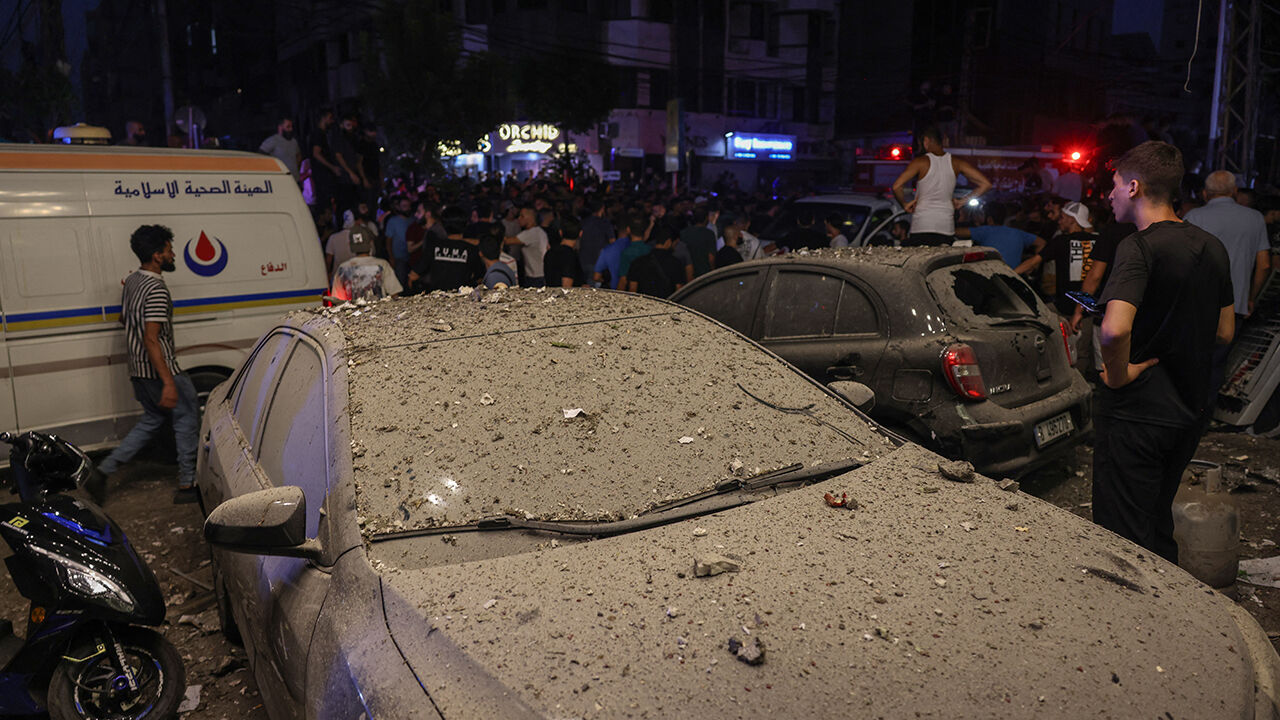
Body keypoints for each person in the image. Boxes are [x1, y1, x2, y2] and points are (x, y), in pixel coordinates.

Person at [1092, 141, 1234, 563]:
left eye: (1114, 185)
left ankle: (1131, 624)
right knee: (1156, 525)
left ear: (1134, 187)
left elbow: (1114, 330)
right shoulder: (1212, 247)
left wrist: (1119, 375)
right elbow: (1225, 332)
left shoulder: (1137, 247)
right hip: (1187, 412)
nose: (1110, 194)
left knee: (1123, 540)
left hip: (1135, 414)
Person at [94, 225, 199, 501]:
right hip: (160, 370)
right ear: (156, 256)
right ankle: (188, 485)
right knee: (187, 418)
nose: (173, 254)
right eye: (168, 250)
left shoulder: (131, 282)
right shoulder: (157, 289)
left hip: (137, 370)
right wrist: (168, 383)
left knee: (150, 421)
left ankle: (103, 471)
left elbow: (124, 320)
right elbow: (151, 339)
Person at [1183, 171, 1271, 319]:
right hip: (1236, 303)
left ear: (1205, 193)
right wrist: (1250, 298)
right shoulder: (1255, 218)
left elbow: (1182, 262)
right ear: (1235, 191)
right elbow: (1264, 265)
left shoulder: (1193, 217)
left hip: (1198, 304)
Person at [891, 126, 992, 245]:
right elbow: (986, 184)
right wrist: (962, 201)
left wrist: (904, 204)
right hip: (945, 226)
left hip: (922, 224)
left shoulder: (920, 162)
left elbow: (896, 186)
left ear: (926, 141)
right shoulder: (957, 162)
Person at [954, 204, 1045, 269]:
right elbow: (1042, 243)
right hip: (1014, 277)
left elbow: (954, 232)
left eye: (980, 215)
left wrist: (961, 216)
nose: (977, 217)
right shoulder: (1018, 233)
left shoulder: (985, 230)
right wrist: (1032, 267)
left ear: (990, 220)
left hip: (991, 277)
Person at [330, 228, 402, 301]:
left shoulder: (343, 268)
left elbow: (337, 299)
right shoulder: (382, 264)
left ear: (350, 245)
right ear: (371, 243)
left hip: (353, 311)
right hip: (378, 310)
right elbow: (394, 293)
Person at [627, 230, 685, 297]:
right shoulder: (676, 263)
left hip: (643, 305)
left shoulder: (637, 262)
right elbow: (679, 291)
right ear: (668, 242)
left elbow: (632, 290)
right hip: (665, 305)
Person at [505, 207, 549, 287]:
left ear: (530, 218)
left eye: (522, 216)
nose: (518, 219)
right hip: (539, 274)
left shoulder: (532, 233)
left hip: (535, 277)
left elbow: (507, 241)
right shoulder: (538, 231)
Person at [309, 108, 342, 215]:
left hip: (324, 175)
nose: (332, 121)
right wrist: (332, 167)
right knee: (325, 205)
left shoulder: (323, 134)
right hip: (322, 176)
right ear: (323, 118)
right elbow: (316, 153)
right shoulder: (318, 134)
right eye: (330, 118)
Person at [544, 215, 585, 288]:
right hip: (563, 297)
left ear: (560, 232)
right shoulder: (570, 255)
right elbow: (566, 286)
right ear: (580, 233)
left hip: (550, 295)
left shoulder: (550, 252)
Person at [259, 117, 302, 184]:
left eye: (291, 127)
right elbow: (261, 155)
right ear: (280, 127)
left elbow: (298, 155)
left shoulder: (293, 141)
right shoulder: (273, 140)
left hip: (295, 179)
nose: (291, 129)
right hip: (281, 181)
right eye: (288, 127)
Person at [680, 206, 717, 276]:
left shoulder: (683, 233)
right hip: (705, 274)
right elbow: (711, 257)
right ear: (706, 218)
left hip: (687, 274)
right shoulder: (709, 234)